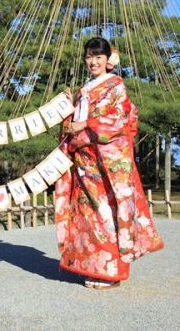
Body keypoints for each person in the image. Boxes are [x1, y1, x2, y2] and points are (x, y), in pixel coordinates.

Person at [55, 37, 163, 289]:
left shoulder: (115, 86)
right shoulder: (84, 89)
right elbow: (74, 122)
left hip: (106, 162)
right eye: (89, 57)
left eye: (98, 57)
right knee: (88, 215)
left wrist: (87, 123)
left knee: (107, 213)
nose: (93, 62)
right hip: (84, 161)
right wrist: (69, 107)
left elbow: (119, 118)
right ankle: (93, 268)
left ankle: (112, 271)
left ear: (107, 60)